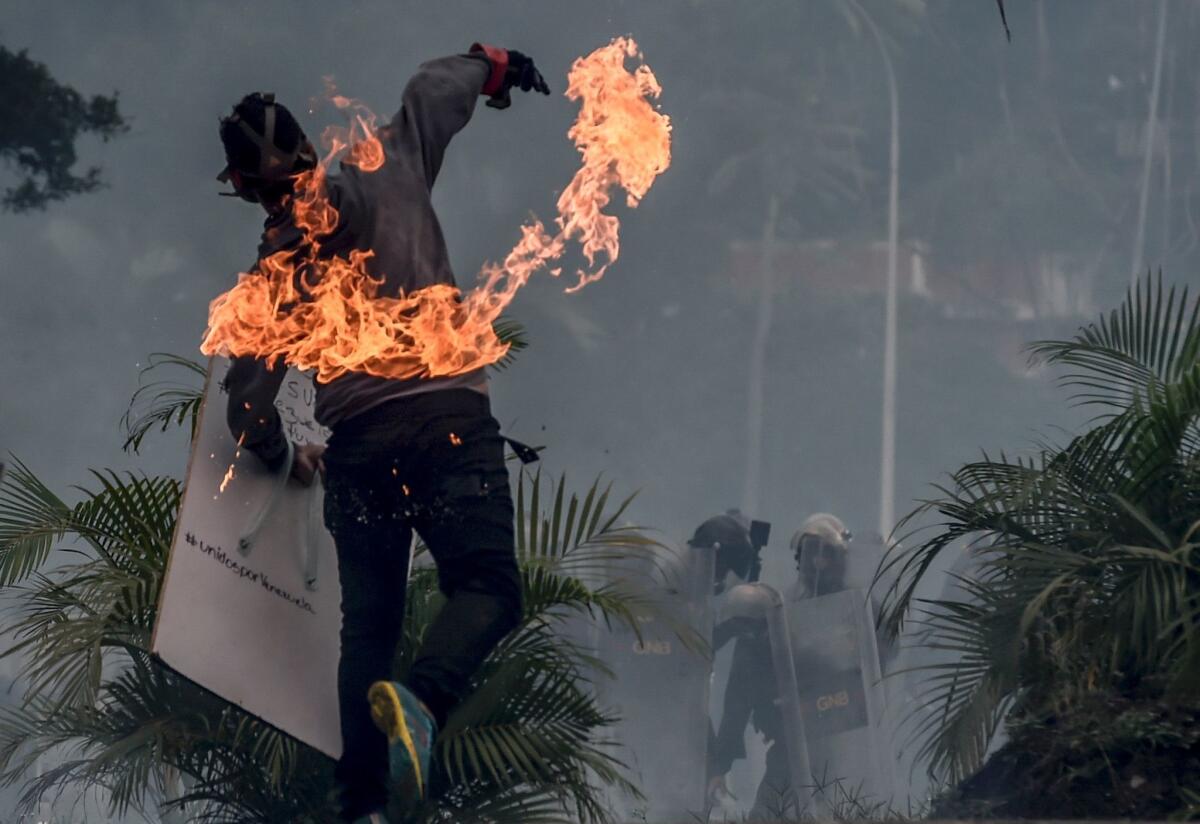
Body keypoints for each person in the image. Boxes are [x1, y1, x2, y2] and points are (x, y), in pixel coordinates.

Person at [217, 45, 550, 824]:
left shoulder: (277, 269)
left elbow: (247, 403)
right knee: (490, 589)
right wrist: (493, 67)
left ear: (242, 188)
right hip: (448, 428)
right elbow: (434, 88)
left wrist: (277, 453)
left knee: (366, 630)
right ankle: (423, 701)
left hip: (359, 455)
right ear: (305, 145)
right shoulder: (385, 162)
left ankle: (359, 802)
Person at [709, 513, 859, 819]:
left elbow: (872, 671)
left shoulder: (858, 613)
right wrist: (719, 765)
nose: (818, 562)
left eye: (826, 553)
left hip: (848, 745)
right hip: (792, 746)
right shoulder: (776, 613)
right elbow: (740, 694)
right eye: (811, 554)